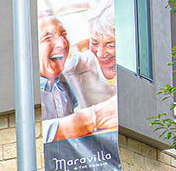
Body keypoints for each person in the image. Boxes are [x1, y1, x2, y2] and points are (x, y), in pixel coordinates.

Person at [38, 11, 117, 142]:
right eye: (48, 38)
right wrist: (95, 117)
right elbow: (34, 134)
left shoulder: (67, 83)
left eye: (64, 35)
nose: (62, 44)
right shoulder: (27, 90)